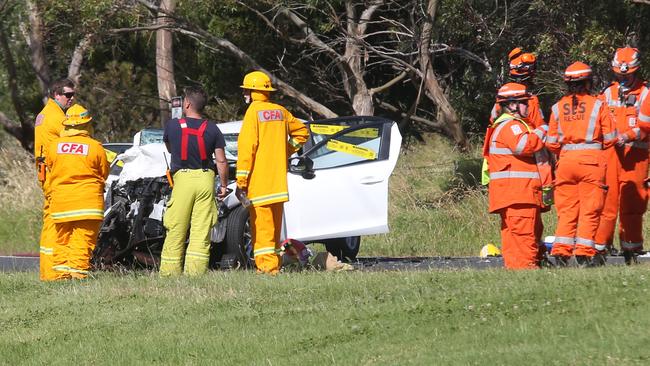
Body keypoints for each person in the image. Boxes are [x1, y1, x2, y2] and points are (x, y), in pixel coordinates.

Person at [236, 70, 309, 274]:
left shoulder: (253, 112)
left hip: (260, 184)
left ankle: (267, 269)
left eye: (247, 90)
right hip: (278, 184)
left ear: (253, 91)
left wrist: (241, 181)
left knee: (262, 229)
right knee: (274, 230)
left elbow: (247, 148)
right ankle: (273, 265)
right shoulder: (280, 111)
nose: (244, 94)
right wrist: (285, 150)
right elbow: (302, 132)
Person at [546, 62, 617, 266]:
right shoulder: (598, 104)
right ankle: (584, 253)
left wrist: (568, 152)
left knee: (567, 210)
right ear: (588, 82)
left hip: (566, 163)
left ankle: (560, 252)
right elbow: (611, 137)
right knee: (590, 209)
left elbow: (551, 143)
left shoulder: (557, 107)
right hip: (591, 163)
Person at [159, 86, 229, 276]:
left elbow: (170, 148)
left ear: (187, 104)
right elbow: (221, 161)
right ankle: (196, 273)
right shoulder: (213, 129)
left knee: (176, 228)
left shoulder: (173, 125)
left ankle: (169, 274)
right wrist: (223, 185)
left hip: (183, 180)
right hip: (206, 179)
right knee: (201, 229)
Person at [485, 82, 549, 269]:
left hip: (515, 195)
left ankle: (517, 272)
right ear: (512, 105)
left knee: (515, 239)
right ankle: (527, 271)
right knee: (524, 237)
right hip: (519, 195)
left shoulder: (506, 125)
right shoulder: (511, 126)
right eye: (524, 103)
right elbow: (524, 145)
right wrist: (543, 129)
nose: (528, 107)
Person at [595, 47, 649, 264]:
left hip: (635, 157)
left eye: (626, 74)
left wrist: (627, 136)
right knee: (606, 203)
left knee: (633, 204)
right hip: (611, 155)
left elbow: (646, 125)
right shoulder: (607, 93)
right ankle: (601, 247)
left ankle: (632, 249)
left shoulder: (646, 94)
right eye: (619, 74)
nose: (623, 78)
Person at [46, 104, 109, 279]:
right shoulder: (95, 147)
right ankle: (78, 277)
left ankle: (60, 277)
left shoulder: (54, 146)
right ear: (87, 124)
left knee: (62, 240)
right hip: (87, 203)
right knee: (82, 240)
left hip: (61, 203)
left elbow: (51, 167)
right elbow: (104, 172)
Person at [34, 78, 76, 281]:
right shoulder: (57, 117)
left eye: (73, 94)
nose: (72, 98)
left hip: (47, 173)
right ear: (56, 94)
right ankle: (52, 272)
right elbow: (74, 142)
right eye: (68, 95)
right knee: (56, 222)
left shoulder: (46, 113)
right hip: (54, 174)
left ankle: (48, 271)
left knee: (50, 219)